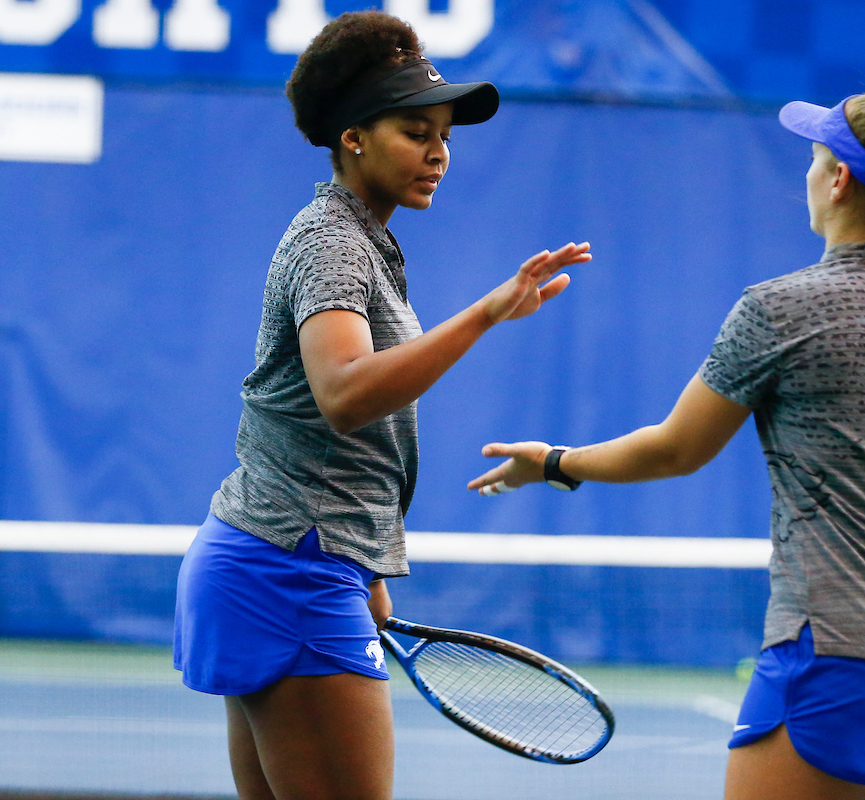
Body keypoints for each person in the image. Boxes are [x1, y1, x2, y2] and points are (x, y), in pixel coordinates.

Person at [468, 92, 865, 800]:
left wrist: (552, 462)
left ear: (839, 180)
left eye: (814, 157)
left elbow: (677, 448)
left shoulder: (778, 309)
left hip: (828, 656)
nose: (808, 172)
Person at [172, 12, 590, 800]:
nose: (438, 151)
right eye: (414, 130)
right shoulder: (332, 241)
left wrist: (366, 566)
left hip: (288, 558)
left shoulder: (364, 239)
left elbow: (322, 430)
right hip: (288, 572)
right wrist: (485, 313)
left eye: (444, 135)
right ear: (352, 136)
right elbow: (345, 395)